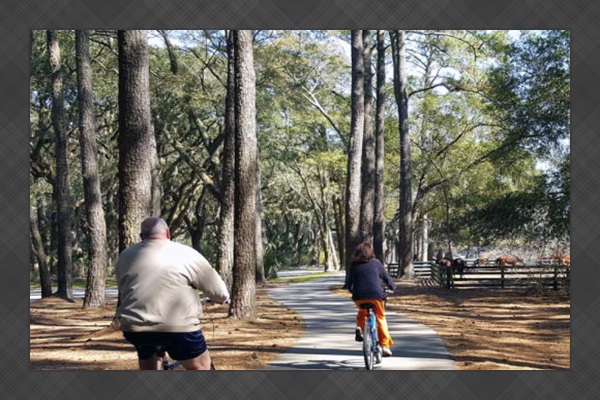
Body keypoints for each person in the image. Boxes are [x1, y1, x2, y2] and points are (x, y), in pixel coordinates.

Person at [115, 217, 230, 370]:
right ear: (168, 233)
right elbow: (220, 293)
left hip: (136, 328)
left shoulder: (126, 255)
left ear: (142, 236)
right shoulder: (186, 253)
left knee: (148, 357)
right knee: (201, 368)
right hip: (179, 328)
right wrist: (218, 299)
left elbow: (125, 289)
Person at [346, 242, 395, 357]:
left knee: (362, 312)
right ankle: (384, 346)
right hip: (376, 296)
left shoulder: (354, 265)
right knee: (381, 318)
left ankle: (360, 327)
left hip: (359, 297)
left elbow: (349, 284)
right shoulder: (376, 263)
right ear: (371, 253)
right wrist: (393, 287)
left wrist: (353, 291)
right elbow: (387, 279)